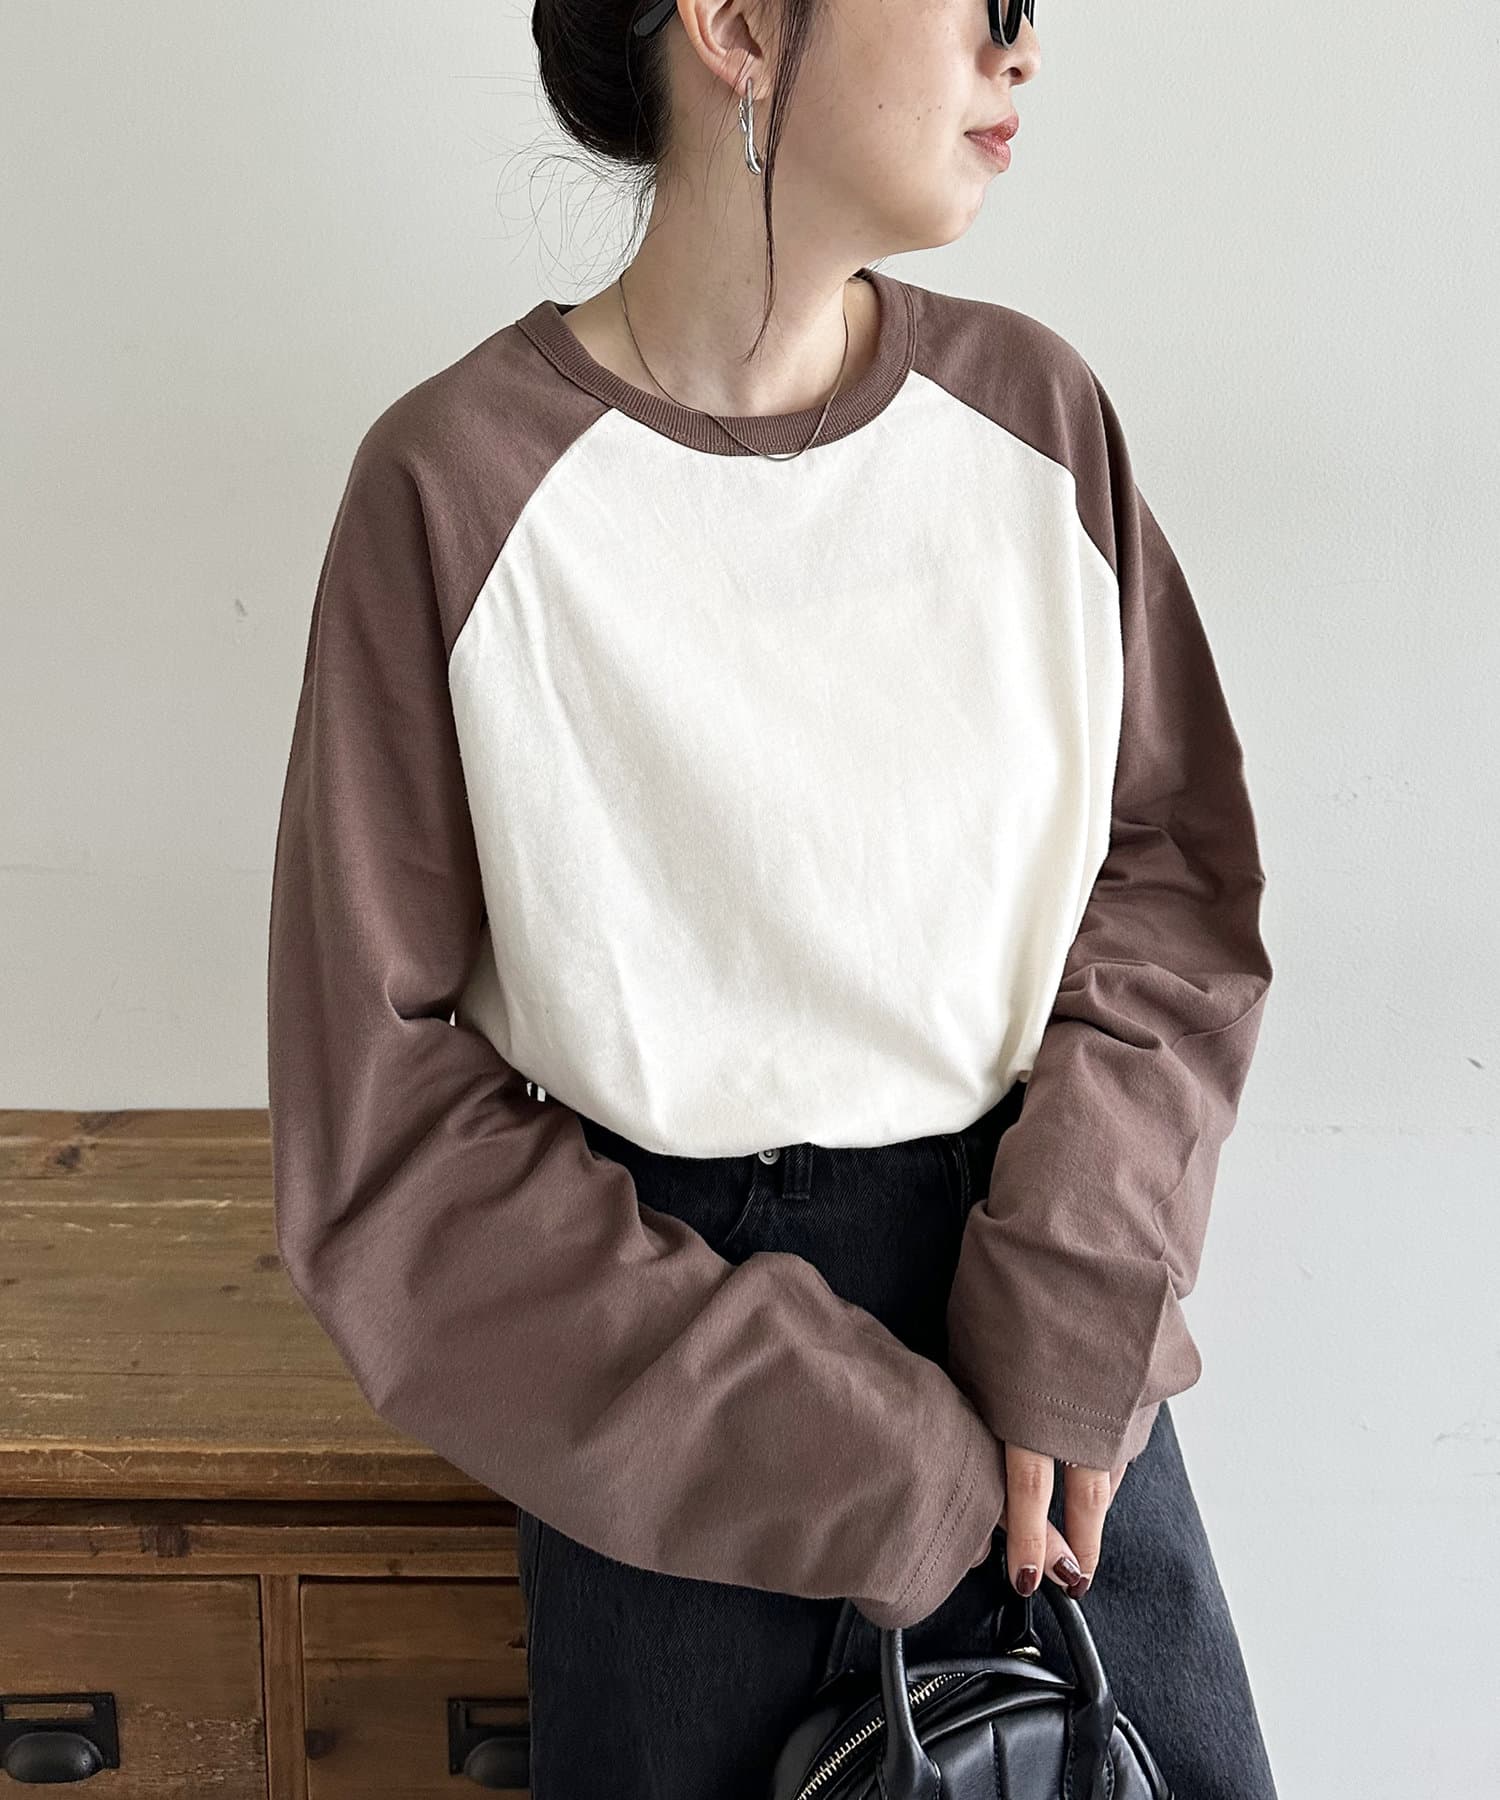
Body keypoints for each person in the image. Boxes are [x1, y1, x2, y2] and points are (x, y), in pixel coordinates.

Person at [265, 0, 1280, 1793]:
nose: (1020, 48)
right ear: (736, 24)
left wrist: (1071, 1304)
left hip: (1055, 1386)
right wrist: (868, 1458)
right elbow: (386, 1135)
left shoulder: (1035, 420)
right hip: (674, 1417)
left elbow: (1172, 897)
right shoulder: (456, 488)